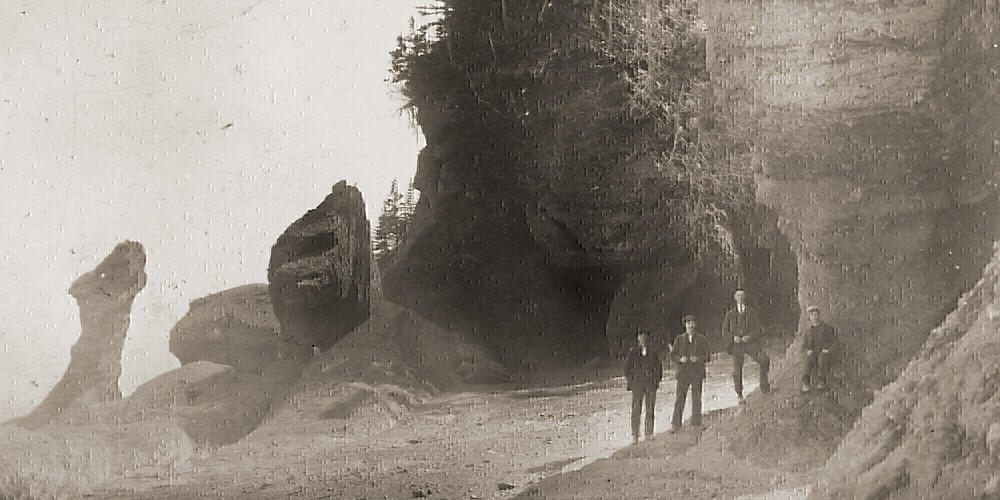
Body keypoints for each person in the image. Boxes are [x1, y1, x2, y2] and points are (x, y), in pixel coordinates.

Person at [723, 288, 771, 403]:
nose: (740, 297)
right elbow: (725, 331)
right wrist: (733, 338)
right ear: (735, 298)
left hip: (750, 343)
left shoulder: (752, 312)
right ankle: (739, 394)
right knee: (737, 370)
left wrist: (750, 336)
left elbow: (759, 329)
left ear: (745, 297)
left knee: (764, 360)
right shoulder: (730, 314)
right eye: (738, 295)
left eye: (742, 295)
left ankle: (764, 386)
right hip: (737, 345)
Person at [670, 315, 710, 432]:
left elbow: (708, 356)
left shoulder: (702, 339)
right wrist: (680, 359)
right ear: (685, 325)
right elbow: (672, 355)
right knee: (679, 398)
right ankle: (676, 424)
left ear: (695, 324)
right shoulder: (679, 339)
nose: (690, 325)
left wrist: (698, 358)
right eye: (688, 323)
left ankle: (696, 423)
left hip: (697, 373)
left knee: (696, 399)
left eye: (692, 323)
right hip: (683, 373)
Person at [624, 331, 662, 444]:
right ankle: (635, 436)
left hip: (650, 385)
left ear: (648, 338)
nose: (643, 339)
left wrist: (656, 381)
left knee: (650, 409)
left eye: (645, 337)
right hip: (637, 386)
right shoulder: (633, 353)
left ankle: (649, 433)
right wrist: (632, 381)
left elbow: (659, 369)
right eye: (641, 336)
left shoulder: (654, 353)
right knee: (636, 410)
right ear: (638, 338)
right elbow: (626, 369)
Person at [801, 306, 835, 392]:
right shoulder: (807, 331)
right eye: (812, 315)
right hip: (813, 353)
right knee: (808, 358)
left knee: (822, 358)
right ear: (809, 317)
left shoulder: (827, 328)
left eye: (816, 314)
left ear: (819, 315)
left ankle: (821, 381)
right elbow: (803, 346)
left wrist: (828, 350)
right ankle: (806, 382)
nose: (814, 317)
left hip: (823, 352)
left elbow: (835, 342)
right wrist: (807, 351)